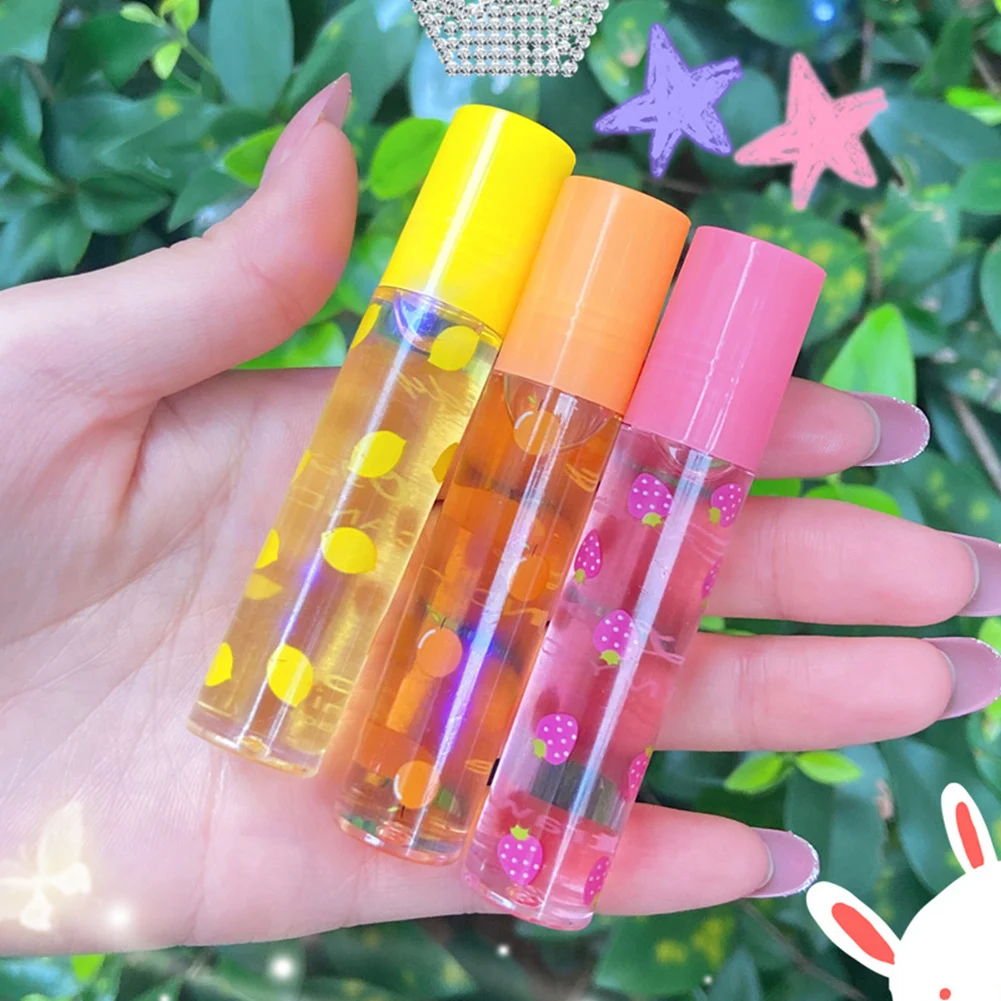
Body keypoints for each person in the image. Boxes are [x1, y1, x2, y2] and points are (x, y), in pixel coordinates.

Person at [1, 75, 998, 954]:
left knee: (561, 631)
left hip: (628, 430)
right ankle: (339, 754)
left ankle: (453, 818)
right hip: (463, 345)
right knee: (435, 568)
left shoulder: (640, 446)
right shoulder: (448, 347)